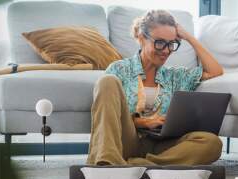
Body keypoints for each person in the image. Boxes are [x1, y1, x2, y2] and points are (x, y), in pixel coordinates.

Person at [87, 10, 224, 166]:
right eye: (159, 43)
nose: (166, 50)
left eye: (171, 44)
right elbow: (108, 118)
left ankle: (138, 165)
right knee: (107, 82)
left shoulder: (176, 76)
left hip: (161, 145)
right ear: (141, 38)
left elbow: (215, 71)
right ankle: (108, 163)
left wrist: (189, 37)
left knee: (212, 143)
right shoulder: (119, 70)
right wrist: (143, 123)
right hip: (126, 141)